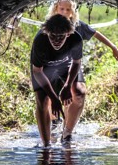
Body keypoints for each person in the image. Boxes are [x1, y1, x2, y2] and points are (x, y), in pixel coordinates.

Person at [46, 0, 118, 132]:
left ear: (72, 12)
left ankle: (67, 132)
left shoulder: (78, 26)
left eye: (68, 9)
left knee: (78, 94)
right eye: (61, 9)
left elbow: (96, 34)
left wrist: (113, 46)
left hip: (73, 66)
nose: (64, 12)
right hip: (52, 66)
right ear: (56, 9)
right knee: (52, 96)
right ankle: (53, 124)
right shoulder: (49, 25)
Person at [30, 14, 83, 147]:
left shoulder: (76, 38)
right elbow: (37, 71)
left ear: (68, 34)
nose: (56, 40)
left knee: (79, 93)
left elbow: (76, 63)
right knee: (43, 101)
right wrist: (54, 98)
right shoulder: (40, 40)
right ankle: (46, 144)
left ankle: (67, 134)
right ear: (47, 33)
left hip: (66, 65)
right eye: (52, 36)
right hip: (43, 68)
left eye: (61, 37)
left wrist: (67, 86)